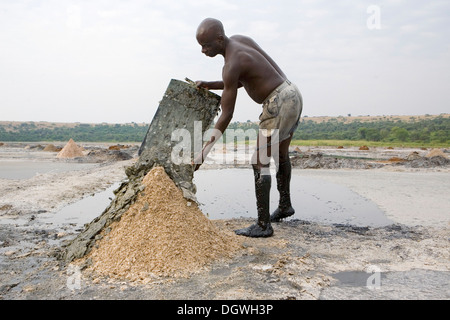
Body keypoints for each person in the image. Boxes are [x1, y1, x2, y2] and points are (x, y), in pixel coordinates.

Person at [194, 18, 302, 237]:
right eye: (200, 46)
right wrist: (210, 84)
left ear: (219, 38)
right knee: (280, 153)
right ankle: (284, 205)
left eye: (207, 45)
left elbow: (227, 114)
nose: (203, 50)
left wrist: (203, 152)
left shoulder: (231, 64)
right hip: (292, 93)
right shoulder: (242, 42)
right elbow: (246, 79)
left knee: (258, 161)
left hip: (277, 102)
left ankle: (263, 225)